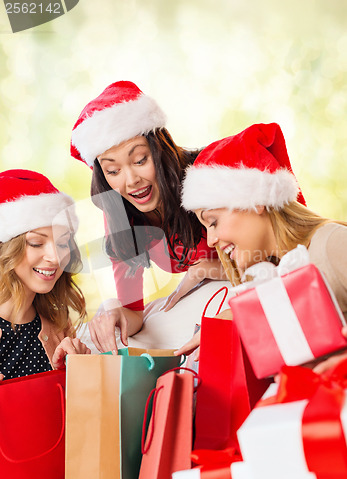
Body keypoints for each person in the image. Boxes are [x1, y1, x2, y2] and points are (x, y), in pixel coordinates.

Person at [175, 122, 347, 370]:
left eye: (213, 222)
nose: (211, 240)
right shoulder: (271, 281)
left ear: (256, 201)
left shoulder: (331, 243)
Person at [70, 80, 226, 353]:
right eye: (113, 171)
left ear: (160, 150)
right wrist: (112, 310)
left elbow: (274, 258)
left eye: (140, 160)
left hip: (246, 286)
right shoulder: (120, 214)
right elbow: (134, 313)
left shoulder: (207, 176)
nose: (131, 181)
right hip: (204, 302)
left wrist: (208, 269)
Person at [0, 169, 90, 380]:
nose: (56, 258)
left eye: (62, 243)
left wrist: (80, 370)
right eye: (36, 243)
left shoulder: (59, 326)